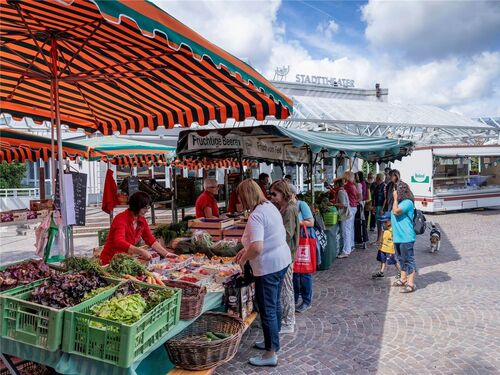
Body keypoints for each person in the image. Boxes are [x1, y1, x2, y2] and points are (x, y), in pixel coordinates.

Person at [235, 179, 291, 367]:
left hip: (268, 267)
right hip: (281, 260)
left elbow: (257, 247)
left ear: (245, 197)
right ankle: (272, 343)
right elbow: (267, 237)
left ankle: (270, 354)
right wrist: (246, 250)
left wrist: (243, 259)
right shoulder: (269, 206)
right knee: (274, 305)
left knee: (267, 308)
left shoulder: (256, 215)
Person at [100, 192, 171, 265]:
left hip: (124, 260)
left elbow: (150, 239)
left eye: (148, 207)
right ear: (136, 206)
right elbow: (119, 242)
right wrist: (141, 251)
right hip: (110, 261)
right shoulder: (120, 219)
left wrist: (167, 254)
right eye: (144, 207)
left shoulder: (141, 220)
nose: (147, 210)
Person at [269, 180, 299, 334]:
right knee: (285, 287)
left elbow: (287, 234)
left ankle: (288, 322)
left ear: (283, 193)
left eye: (274, 194)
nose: (272, 197)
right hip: (284, 252)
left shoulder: (290, 209)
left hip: (287, 253)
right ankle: (286, 319)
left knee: (287, 288)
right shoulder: (284, 207)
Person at [289, 184, 315, 313]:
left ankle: (306, 301)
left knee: (304, 272)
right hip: (293, 242)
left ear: (293, 194)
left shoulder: (301, 205)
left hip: (303, 240)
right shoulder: (285, 207)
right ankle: (294, 299)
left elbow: (311, 222)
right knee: (294, 272)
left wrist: (295, 222)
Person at [391, 177, 417, 293]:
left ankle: (411, 283)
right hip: (398, 237)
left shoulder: (407, 203)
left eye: (396, 190)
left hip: (406, 237)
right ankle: (403, 279)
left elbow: (396, 212)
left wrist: (395, 199)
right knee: (401, 259)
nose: (394, 192)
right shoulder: (400, 202)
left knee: (408, 260)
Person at [371, 212, 401, 279]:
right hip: (382, 248)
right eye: (383, 222)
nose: (384, 223)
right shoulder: (384, 228)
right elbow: (381, 236)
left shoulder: (393, 230)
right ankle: (381, 272)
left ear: (391, 221)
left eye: (386, 222)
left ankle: (401, 272)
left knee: (393, 261)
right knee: (382, 260)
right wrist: (379, 242)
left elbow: (396, 239)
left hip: (390, 249)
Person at [337, 171, 358, 258]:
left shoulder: (347, 186)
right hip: (354, 207)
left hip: (349, 209)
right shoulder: (353, 185)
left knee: (346, 230)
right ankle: (351, 245)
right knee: (350, 228)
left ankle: (346, 250)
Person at [354, 171, 368, 250]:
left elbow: (361, 196)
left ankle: (362, 240)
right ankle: (360, 239)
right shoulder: (360, 183)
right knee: (360, 222)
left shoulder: (360, 184)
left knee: (361, 222)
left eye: (357, 176)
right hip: (360, 203)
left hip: (360, 204)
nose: (356, 178)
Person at [372, 173, 387, 245]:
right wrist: (374, 207)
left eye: (376, 179)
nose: (375, 180)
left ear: (379, 179)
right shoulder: (377, 186)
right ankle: (378, 240)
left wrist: (383, 208)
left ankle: (380, 240)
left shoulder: (384, 187)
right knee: (378, 224)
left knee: (381, 224)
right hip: (378, 206)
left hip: (381, 207)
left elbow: (386, 199)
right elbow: (375, 197)